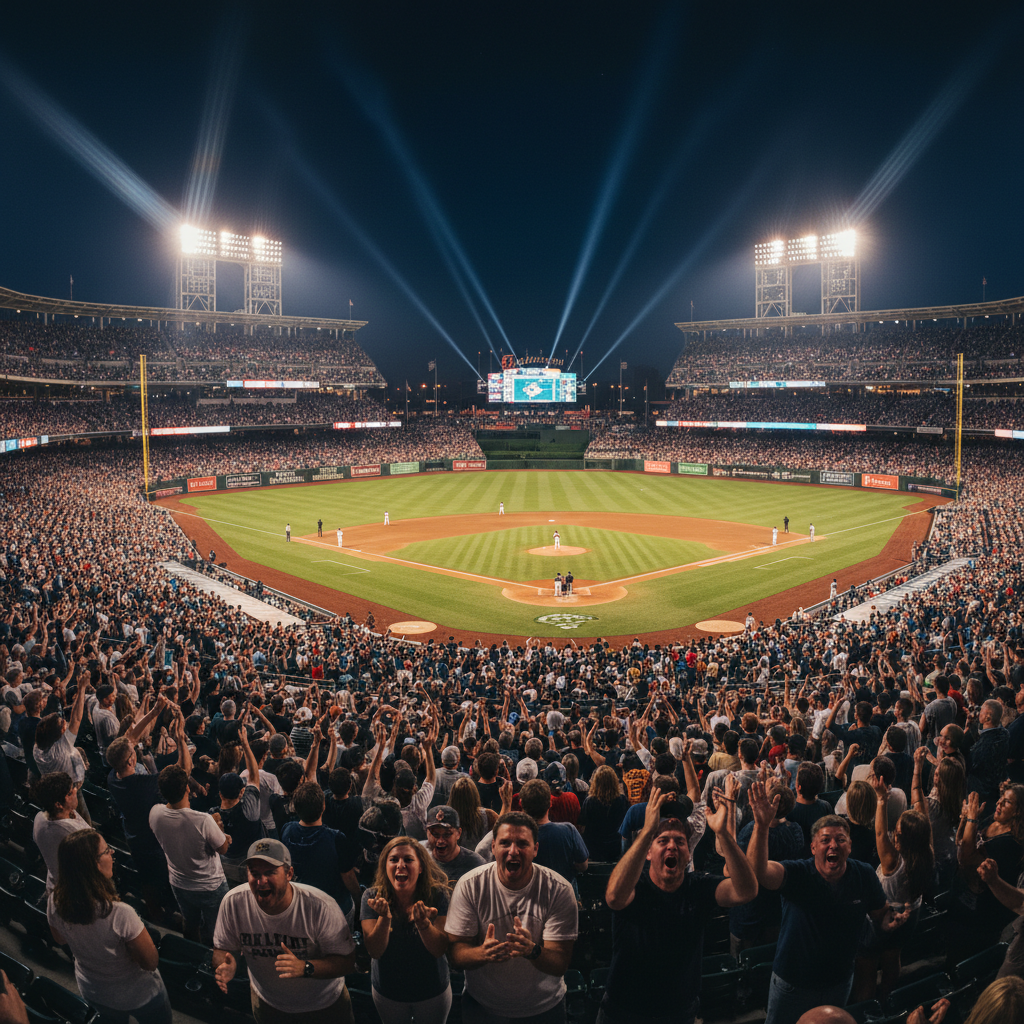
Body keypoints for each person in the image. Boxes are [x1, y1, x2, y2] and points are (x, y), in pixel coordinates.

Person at [748, 784, 910, 1024]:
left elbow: (880, 914)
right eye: (825, 840)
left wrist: (889, 922)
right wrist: (761, 827)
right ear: (813, 847)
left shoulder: (864, 875)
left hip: (838, 982)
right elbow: (758, 871)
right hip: (793, 983)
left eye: (840, 839)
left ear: (850, 846)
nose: (833, 845)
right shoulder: (798, 874)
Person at [600, 785, 759, 1024]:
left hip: (679, 1011)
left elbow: (746, 890)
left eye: (680, 842)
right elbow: (614, 897)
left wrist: (724, 834)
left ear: (688, 855)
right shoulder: (635, 885)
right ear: (648, 853)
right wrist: (647, 832)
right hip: (624, 1009)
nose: (672, 845)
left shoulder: (699, 887)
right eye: (662, 840)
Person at [446, 811, 578, 1024]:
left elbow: (560, 961)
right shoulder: (470, 885)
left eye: (522, 844)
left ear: (535, 849)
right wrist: (482, 953)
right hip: (482, 1006)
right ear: (493, 848)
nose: (513, 851)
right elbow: (455, 953)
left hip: (543, 1008)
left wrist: (532, 951)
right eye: (505, 843)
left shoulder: (558, 889)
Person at [213, 838, 358, 1024]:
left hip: (323, 1006)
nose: (261, 881)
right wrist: (227, 964)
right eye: (254, 873)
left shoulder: (320, 906)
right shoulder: (233, 902)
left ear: (289, 873)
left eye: (270, 872)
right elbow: (221, 950)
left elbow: (348, 962)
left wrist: (306, 967)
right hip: (267, 1003)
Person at [47, 829, 172, 1024]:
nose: (112, 853)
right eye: (106, 851)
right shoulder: (120, 913)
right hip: (138, 993)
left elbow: (60, 938)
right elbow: (150, 962)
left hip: (94, 990)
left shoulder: (55, 899)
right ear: (94, 865)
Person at [149, 713, 231, 945]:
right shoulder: (203, 820)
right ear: (187, 789)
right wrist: (220, 830)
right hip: (209, 885)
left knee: (190, 923)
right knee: (218, 929)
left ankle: (191, 952)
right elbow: (223, 848)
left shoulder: (154, 813)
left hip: (178, 882)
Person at [362, 836, 452, 1024]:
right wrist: (385, 918)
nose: (400, 865)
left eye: (408, 859)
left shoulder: (438, 895)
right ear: (385, 866)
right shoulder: (371, 897)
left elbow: (440, 949)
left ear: (420, 868)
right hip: (388, 991)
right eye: (393, 859)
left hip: (432, 990)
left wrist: (424, 924)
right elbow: (375, 950)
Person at [32, 772, 90, 892]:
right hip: (79, 887)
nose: (75, 791)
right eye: (70, 793)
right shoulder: (77, 834)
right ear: (58, 805)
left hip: (55, 883)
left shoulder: (39, 818)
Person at [578, 765, 629, 862]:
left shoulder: (589, 801)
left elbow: (582, 827)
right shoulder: (622, 800)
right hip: (615, 848)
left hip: (593, 848)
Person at [424, 804, 485, 882]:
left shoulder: (477, 866)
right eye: (435, 834)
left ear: (458, 833)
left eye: (447, 834)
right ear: (427, 833)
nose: (440, 841)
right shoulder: (420, 862)